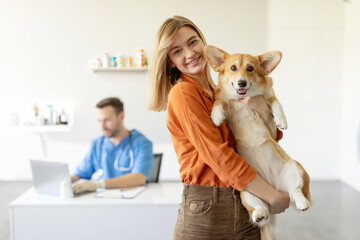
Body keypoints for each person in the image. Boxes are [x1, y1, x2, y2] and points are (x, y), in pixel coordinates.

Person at [148, 16, 290, 239]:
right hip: (208, 210)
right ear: (169, 61)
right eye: (177, 51)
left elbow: (267, 139)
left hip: (244, 202)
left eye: (193, 42)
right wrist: (271, 195)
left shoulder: (221, 93)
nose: (190, 53)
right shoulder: (184, 93)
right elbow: (217, 155)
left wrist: (262, 108)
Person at [71, 97, 154, 194]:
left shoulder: (142, 143)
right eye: (99, 121)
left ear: (121, 116)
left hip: (131, 201)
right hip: (102, 201)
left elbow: (140, 177)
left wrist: (99, 184)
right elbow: (80, 175)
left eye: (107, 120)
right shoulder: (97, 144)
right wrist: (65, 180)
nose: (102, 126)